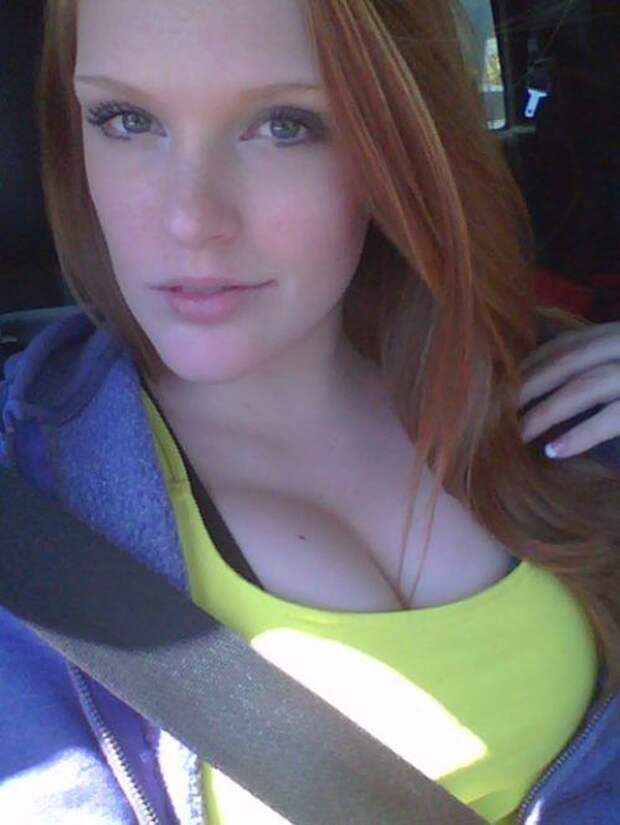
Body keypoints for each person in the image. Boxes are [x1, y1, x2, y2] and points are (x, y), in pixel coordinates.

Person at [0, 1, 619, 823]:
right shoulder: (28, 513)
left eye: (285, 126)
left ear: (400, 142)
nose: (190, 220)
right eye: (126, 119)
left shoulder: (541, 381)